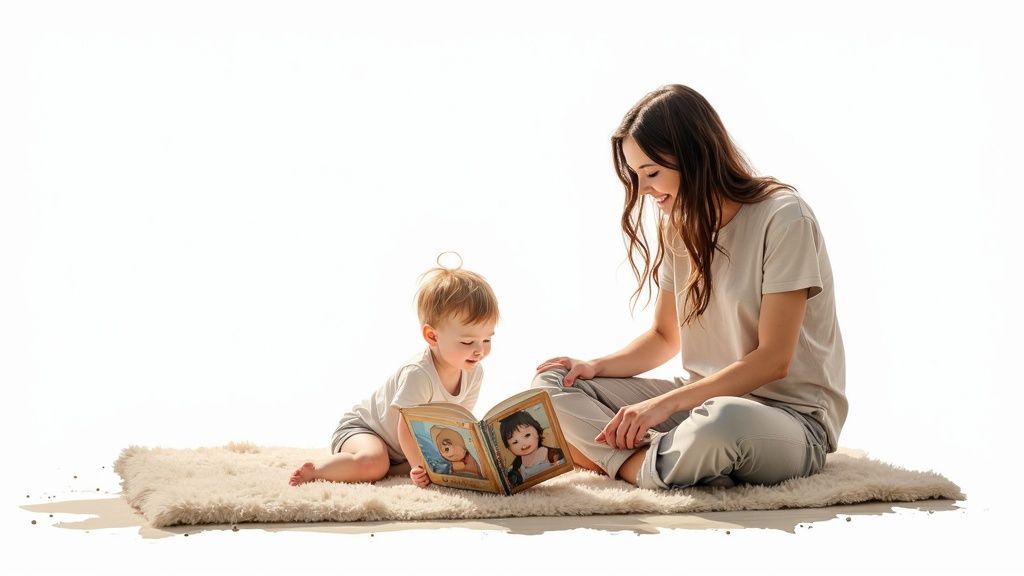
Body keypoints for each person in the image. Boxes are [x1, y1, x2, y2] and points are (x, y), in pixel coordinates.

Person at [532, 84, 847, 490]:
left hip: (790, 419)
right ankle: (661, 462)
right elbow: (664, 337)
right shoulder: (677, 225)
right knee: (552, 386)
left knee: (722, 422)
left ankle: (624, 464)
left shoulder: (785, 218)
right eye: (636, 175)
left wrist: (663, 405)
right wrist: (594, 368)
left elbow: (773, 360)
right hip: (699, 401)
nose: (642, 190)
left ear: (696, 157)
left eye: (652, 173)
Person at [289, 253, 499, 488]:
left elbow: (458, 422)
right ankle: (317, 471)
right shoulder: (419, 373)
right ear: (432, 336)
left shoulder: (474, 372)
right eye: (468, 342)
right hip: (365, 430)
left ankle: (392, 466)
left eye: (487, 339)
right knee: (374, 464)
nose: (480, 350)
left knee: (423, 463)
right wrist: (421, 468)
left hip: (399, 450)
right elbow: (405, 428)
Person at [499, 411, 565, 487]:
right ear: (509, 447)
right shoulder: (515, 468)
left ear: (537, 432)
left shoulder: (554, 454)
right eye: (515, 442)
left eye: (527, 435)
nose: (523, 444)